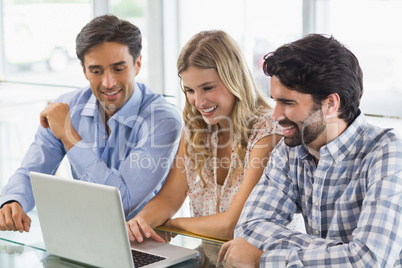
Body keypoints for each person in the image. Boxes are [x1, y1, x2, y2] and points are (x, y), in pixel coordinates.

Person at [218, 33, 402, 267]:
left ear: (331, 104)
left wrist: (264, 260)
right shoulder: (291, 150)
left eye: (288, 103)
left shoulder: (386, 153)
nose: (275, 116)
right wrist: (342, 254)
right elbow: (249, 228)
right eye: (274, 100)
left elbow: (368, 260)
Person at [0, 14, 182, 233]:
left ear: (138, 64)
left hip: (144, 242)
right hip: (83, 233)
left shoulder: (162, 120)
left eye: (118, 68)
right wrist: (13, 201)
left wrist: (69, 137)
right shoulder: (65, 107)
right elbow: (31, 171)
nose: (108, 82)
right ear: (84, 70)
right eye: (96, 71)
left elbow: (121, 202)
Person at [126, 30, 282, 242]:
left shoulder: (268, 130)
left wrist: (171, 225)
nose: (198, 102)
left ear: (233, 79)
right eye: (190, 90)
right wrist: (141, 222)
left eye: (207, 88)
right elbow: (169, 198)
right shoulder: (196, 129)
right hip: (210, 260)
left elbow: (232, 225)